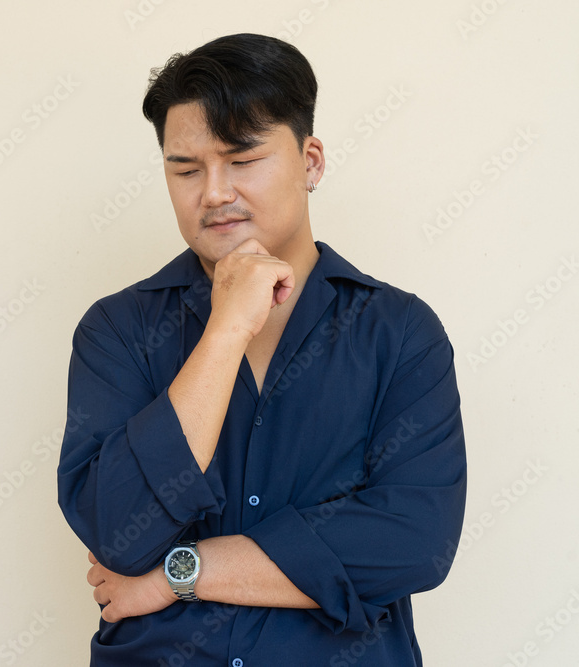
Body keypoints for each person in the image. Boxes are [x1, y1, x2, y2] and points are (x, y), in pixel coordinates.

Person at [57, 33, 467, 666]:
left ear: (310, 162)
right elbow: (117, 532)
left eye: (241, 159)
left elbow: (414, 544)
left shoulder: (400, 332)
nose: (213, 192)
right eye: (186, 169)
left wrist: (177, 573)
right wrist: (225, 331)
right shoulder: (119, 330)